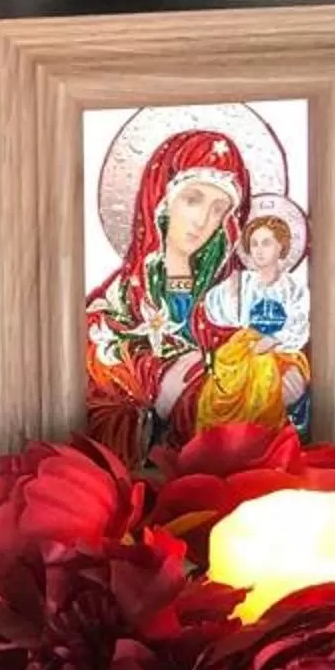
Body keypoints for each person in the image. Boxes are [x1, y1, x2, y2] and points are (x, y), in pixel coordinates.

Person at [83, 126, 251, 464]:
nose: (204, 220)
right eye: (193, 200)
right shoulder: (120, 296)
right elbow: (97, 351)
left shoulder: (236, 294)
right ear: (159, 200)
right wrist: (161, 378)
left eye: (219, 209)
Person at [197, 212, 311, 432]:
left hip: (282, 352)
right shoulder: (242, 282)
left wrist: (272, 340)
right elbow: (216, 311)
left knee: (263, 371)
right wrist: (231, 295)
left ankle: (259, 438)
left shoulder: (293, 288)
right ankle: (223, 441)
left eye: (266, 243)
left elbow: (298, 325)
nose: (259, 250)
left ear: (281, 246)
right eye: (254, 244)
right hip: (242, 349)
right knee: (224, 382)